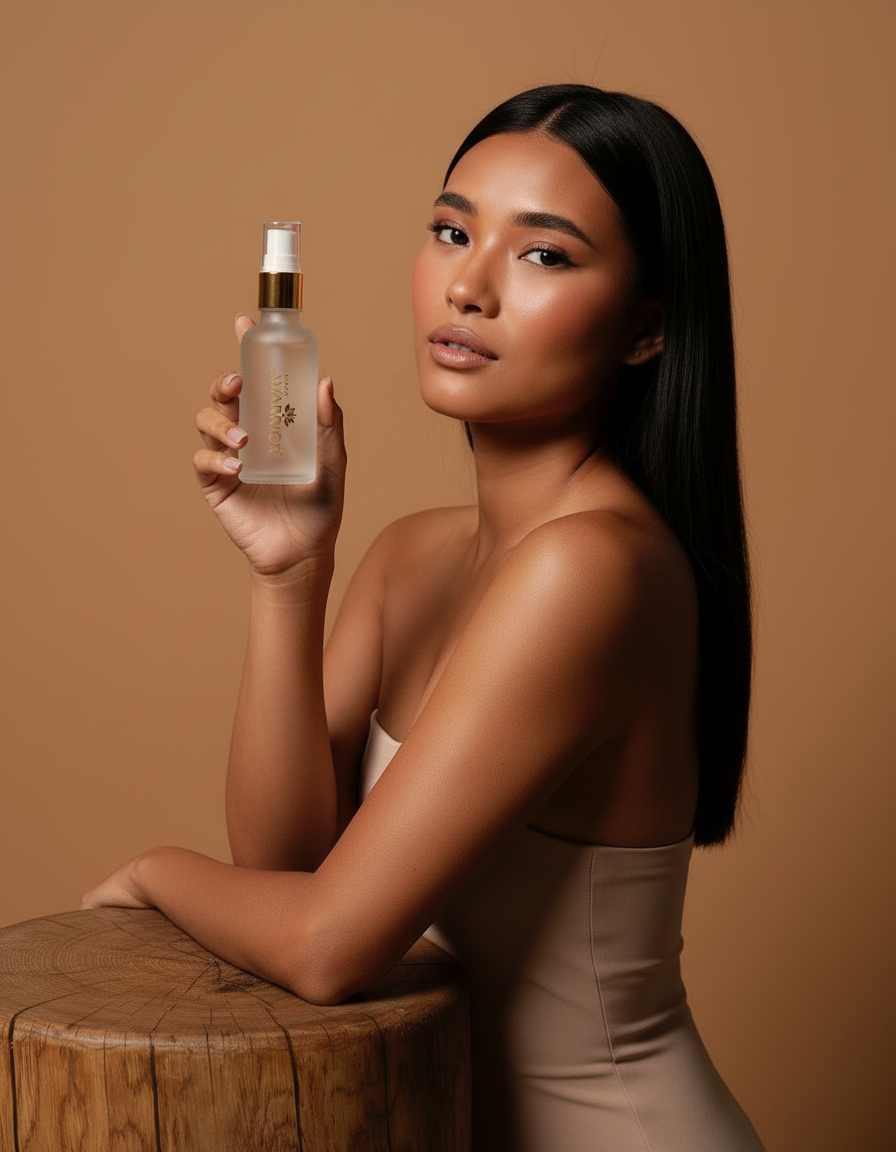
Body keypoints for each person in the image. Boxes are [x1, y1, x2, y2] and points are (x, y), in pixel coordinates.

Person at [84, 84, 765, 1150]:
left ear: (646, 328)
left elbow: (322, 947)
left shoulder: (591, 571)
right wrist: (287, 577)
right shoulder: (412, 555)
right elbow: (284, 870)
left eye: (544, 255)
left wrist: (148, 871)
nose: (469, 285)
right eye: (451, 231)